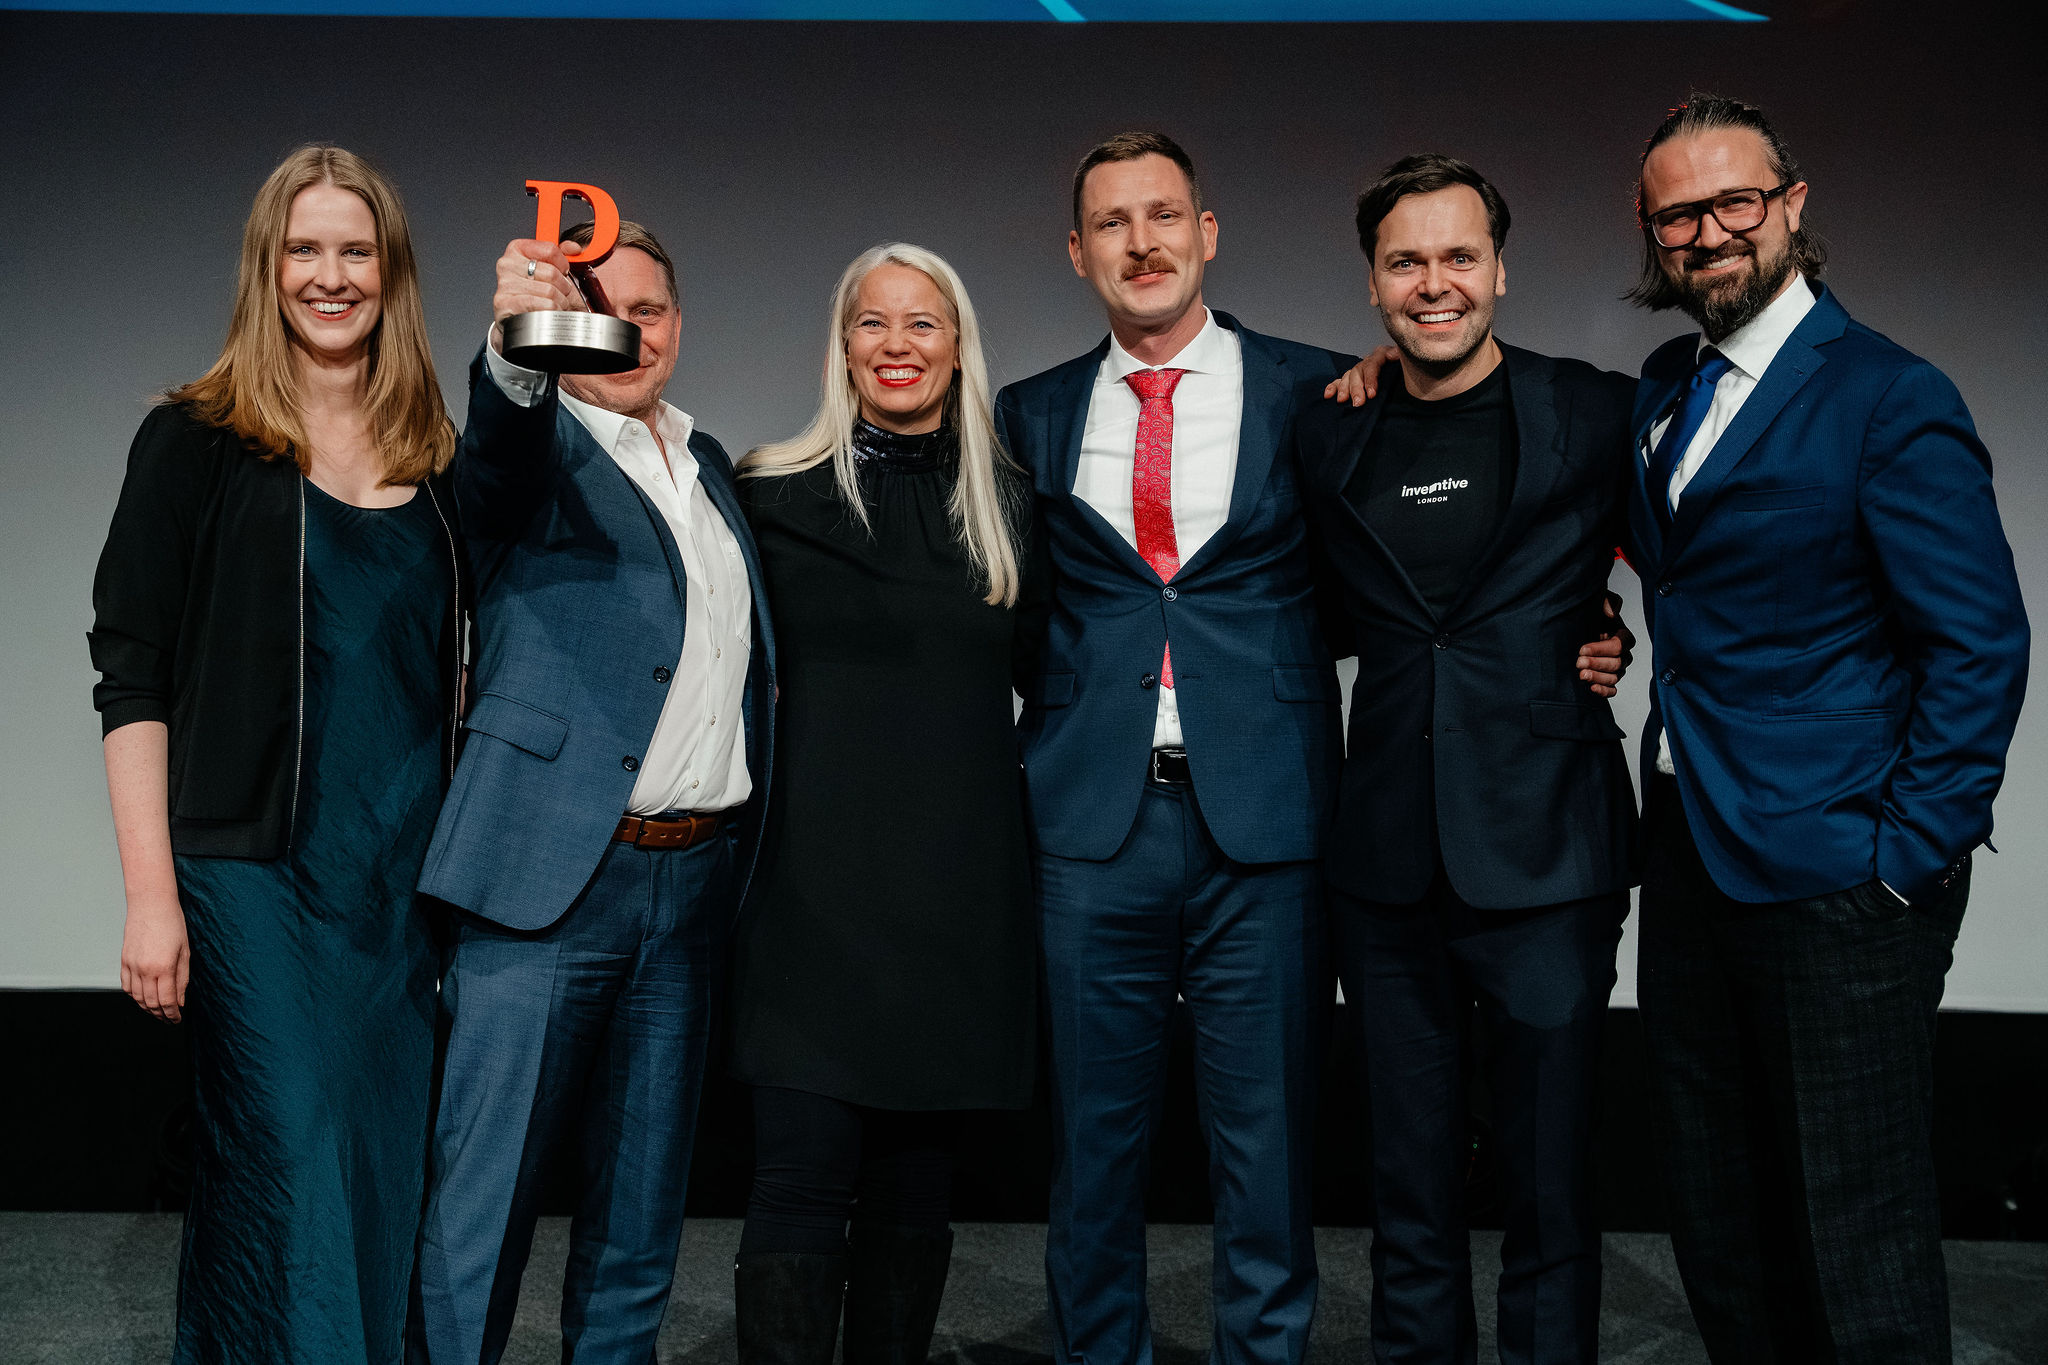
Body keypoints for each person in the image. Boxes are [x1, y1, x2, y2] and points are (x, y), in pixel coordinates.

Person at [1623, 93, 2028, 1362]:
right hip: (1687, 850)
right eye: (1677, 215)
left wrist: (1905, 858)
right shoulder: (1663, 386)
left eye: (1733, 201)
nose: (1708, 233)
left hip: (1841, 875)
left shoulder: (1887, 395)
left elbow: (1978, 643)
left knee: (1855, 1232)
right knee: (1718, 1210)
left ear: (1791, 206)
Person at [89, 144, 462, 1364]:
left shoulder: (436, 457)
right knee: (289, 1157)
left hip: (397, 883)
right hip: (251, 875)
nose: (330, 275)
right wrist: (151, 897)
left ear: (391, 270)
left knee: (379, 1165)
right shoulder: (195, 440)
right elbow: (131, 677)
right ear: (267, 267)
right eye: (304, 249)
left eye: (355, 250)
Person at [988, 129, 1354, 1365]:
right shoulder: (1030, 411)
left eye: (1161, 216)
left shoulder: (1318, 390)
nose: (1139, 243)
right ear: (1075, 251)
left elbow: (1388, 583)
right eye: (1111, 223)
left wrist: (1589, 625)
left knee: (1267, 1146)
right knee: (1092, 1145)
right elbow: (1019, 609)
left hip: (1266, 816)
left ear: (1205, 233)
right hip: (1093, 822)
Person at [410, 217, 775, 1364]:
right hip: (546, 882)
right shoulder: (535, 451)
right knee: (482, 1212)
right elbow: (496, 445)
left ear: (678, 324)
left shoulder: (710, 465)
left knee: (640, 1218)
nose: (627, 333)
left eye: (647, 311)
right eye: (598, 313)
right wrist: (519, 344)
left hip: (690, 887)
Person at [1298, 154, 1637, 1365]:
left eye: (1456, 256)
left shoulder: (1590, 410)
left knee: (1549, 1184)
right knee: (1407, 1183)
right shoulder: (1327, 428)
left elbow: (1678, 554)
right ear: (1371, 281)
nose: (1431, 282)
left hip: (1548, 851)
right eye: (1404, 261)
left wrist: (1611, 624)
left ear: (1499, 268)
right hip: (1385, 860)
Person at [727, 243, 1040, 1365]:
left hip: (955, 901)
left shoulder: (1012, 506)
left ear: (958, 348)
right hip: (806, 899)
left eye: (922, 323)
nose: (896, 344)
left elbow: (1069, 683)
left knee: (915, 1192)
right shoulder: (768, 494)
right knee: (799, 1177)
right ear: (842, 344)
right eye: (872, 321)